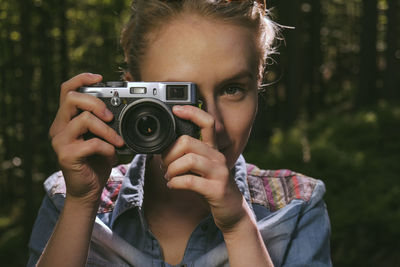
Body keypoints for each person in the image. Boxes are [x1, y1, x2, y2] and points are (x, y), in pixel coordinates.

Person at [27, 0, 331, 266]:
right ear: (135, 95)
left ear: (258, 84)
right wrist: (82, 203)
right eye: (180, 95)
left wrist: (238, 225)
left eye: (232, 89)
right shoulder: (68, 197)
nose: (211, 123)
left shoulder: (296, 207)